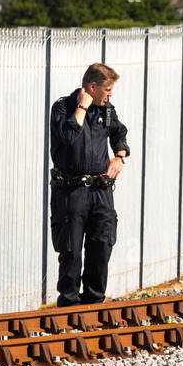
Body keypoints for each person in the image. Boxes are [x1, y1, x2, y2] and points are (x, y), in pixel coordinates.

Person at [49, 63, 130, 307]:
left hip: (101, 190)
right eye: (107, 89)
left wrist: (120, 156)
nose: (110, 94)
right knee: (71, 251)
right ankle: (69, 305)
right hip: (71, 191)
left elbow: (119, 132)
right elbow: (69, 139)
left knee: (102, 246)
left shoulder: (107, 110)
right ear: (92, 87)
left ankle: (94, 304)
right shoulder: (63, 107)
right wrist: (82, 107)